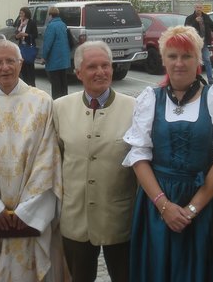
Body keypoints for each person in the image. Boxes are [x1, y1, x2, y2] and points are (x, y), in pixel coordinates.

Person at [122, 25, 213, 281]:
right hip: (158, 203)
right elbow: (139, 156)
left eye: (187, 56)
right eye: (172, 56)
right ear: (163, 59)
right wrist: (164, 206)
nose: (179, 63)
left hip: (205, 204)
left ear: (198, 59)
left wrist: (192, 209)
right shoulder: (150, 99)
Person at [0, 39, 63, 281]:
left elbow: (48, 161)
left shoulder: (42, 102)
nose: (5, 67)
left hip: (32, 213)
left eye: (10, 61)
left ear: (21, 62)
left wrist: (26, 212)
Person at [53, 41, 136, 282]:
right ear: (78, 72)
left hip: (120, 218)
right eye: (92, 67)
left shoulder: (134, 108)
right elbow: (53, 162)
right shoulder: (59, 108)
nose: (101, 72)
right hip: (75, 217)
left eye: (105, 65)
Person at [185, 3, 213, 84]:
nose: (199, 9)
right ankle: (193, 79)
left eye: (200, 7)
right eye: (197, 7)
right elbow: (186, 28)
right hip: (194, 43)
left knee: (207, 60)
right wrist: (195, 22)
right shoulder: (190, 18)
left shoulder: (206, 17)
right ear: (194, 8)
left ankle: (210, 80)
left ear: (202, 8)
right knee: (194, 61)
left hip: (204, 42)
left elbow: (212, 25)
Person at [42, 6, 71, 99]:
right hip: (64, 58)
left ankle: (57, 103)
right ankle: (65, 100)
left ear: (50, 15)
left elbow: (48, 43)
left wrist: (44, 57)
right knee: (63, 82)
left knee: (56, 84)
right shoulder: (63, 24)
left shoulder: (51, 26)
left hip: (54, 59)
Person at [14, 6, 38, 86]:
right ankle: (24, 84)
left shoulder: (32, 22)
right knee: (22, 67)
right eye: (20, 13)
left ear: (26, 14)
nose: (20, 15)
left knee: (29, 67)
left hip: (29, 47)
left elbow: (35, 35)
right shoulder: (19, 23)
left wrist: (26, 35)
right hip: (21, 47)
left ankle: (31, 85)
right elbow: (16, 34)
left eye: (22, 13)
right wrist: (17, 36)